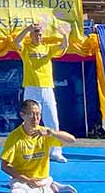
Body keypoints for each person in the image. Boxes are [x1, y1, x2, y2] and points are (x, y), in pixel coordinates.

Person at [0, 99, 80, 193]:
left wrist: (51, 132)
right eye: (31, 114)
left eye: (38, 114)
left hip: (43, 181)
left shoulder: (45, 133)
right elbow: (4, 166)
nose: (35, 118)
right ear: (22, 115)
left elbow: (72, 140)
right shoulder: (14, 137)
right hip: (23, 182)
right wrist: (27, 180)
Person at [14, 22, 69, 163]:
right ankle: (29, 150)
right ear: (31, 36)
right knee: (30, 121)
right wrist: (27, 28)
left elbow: (63, 46)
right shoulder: (26, 48)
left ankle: (55, 152)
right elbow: (16, 42)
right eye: (36, 34)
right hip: (31, 88)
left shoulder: (47, 48)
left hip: (47, 88)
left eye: (40, 35)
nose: (39, 37)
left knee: (52, 120)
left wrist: (64, 35)